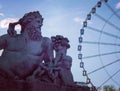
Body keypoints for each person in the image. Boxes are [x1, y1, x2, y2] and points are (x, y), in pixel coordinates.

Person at [0, 11, 54, 80]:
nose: (40, 25)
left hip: (29, 81)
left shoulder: (45, 42)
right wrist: (14, 24)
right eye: (38, 21)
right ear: (28, 21)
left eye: (41, 23)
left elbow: (50, 64)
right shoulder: (9, 38)